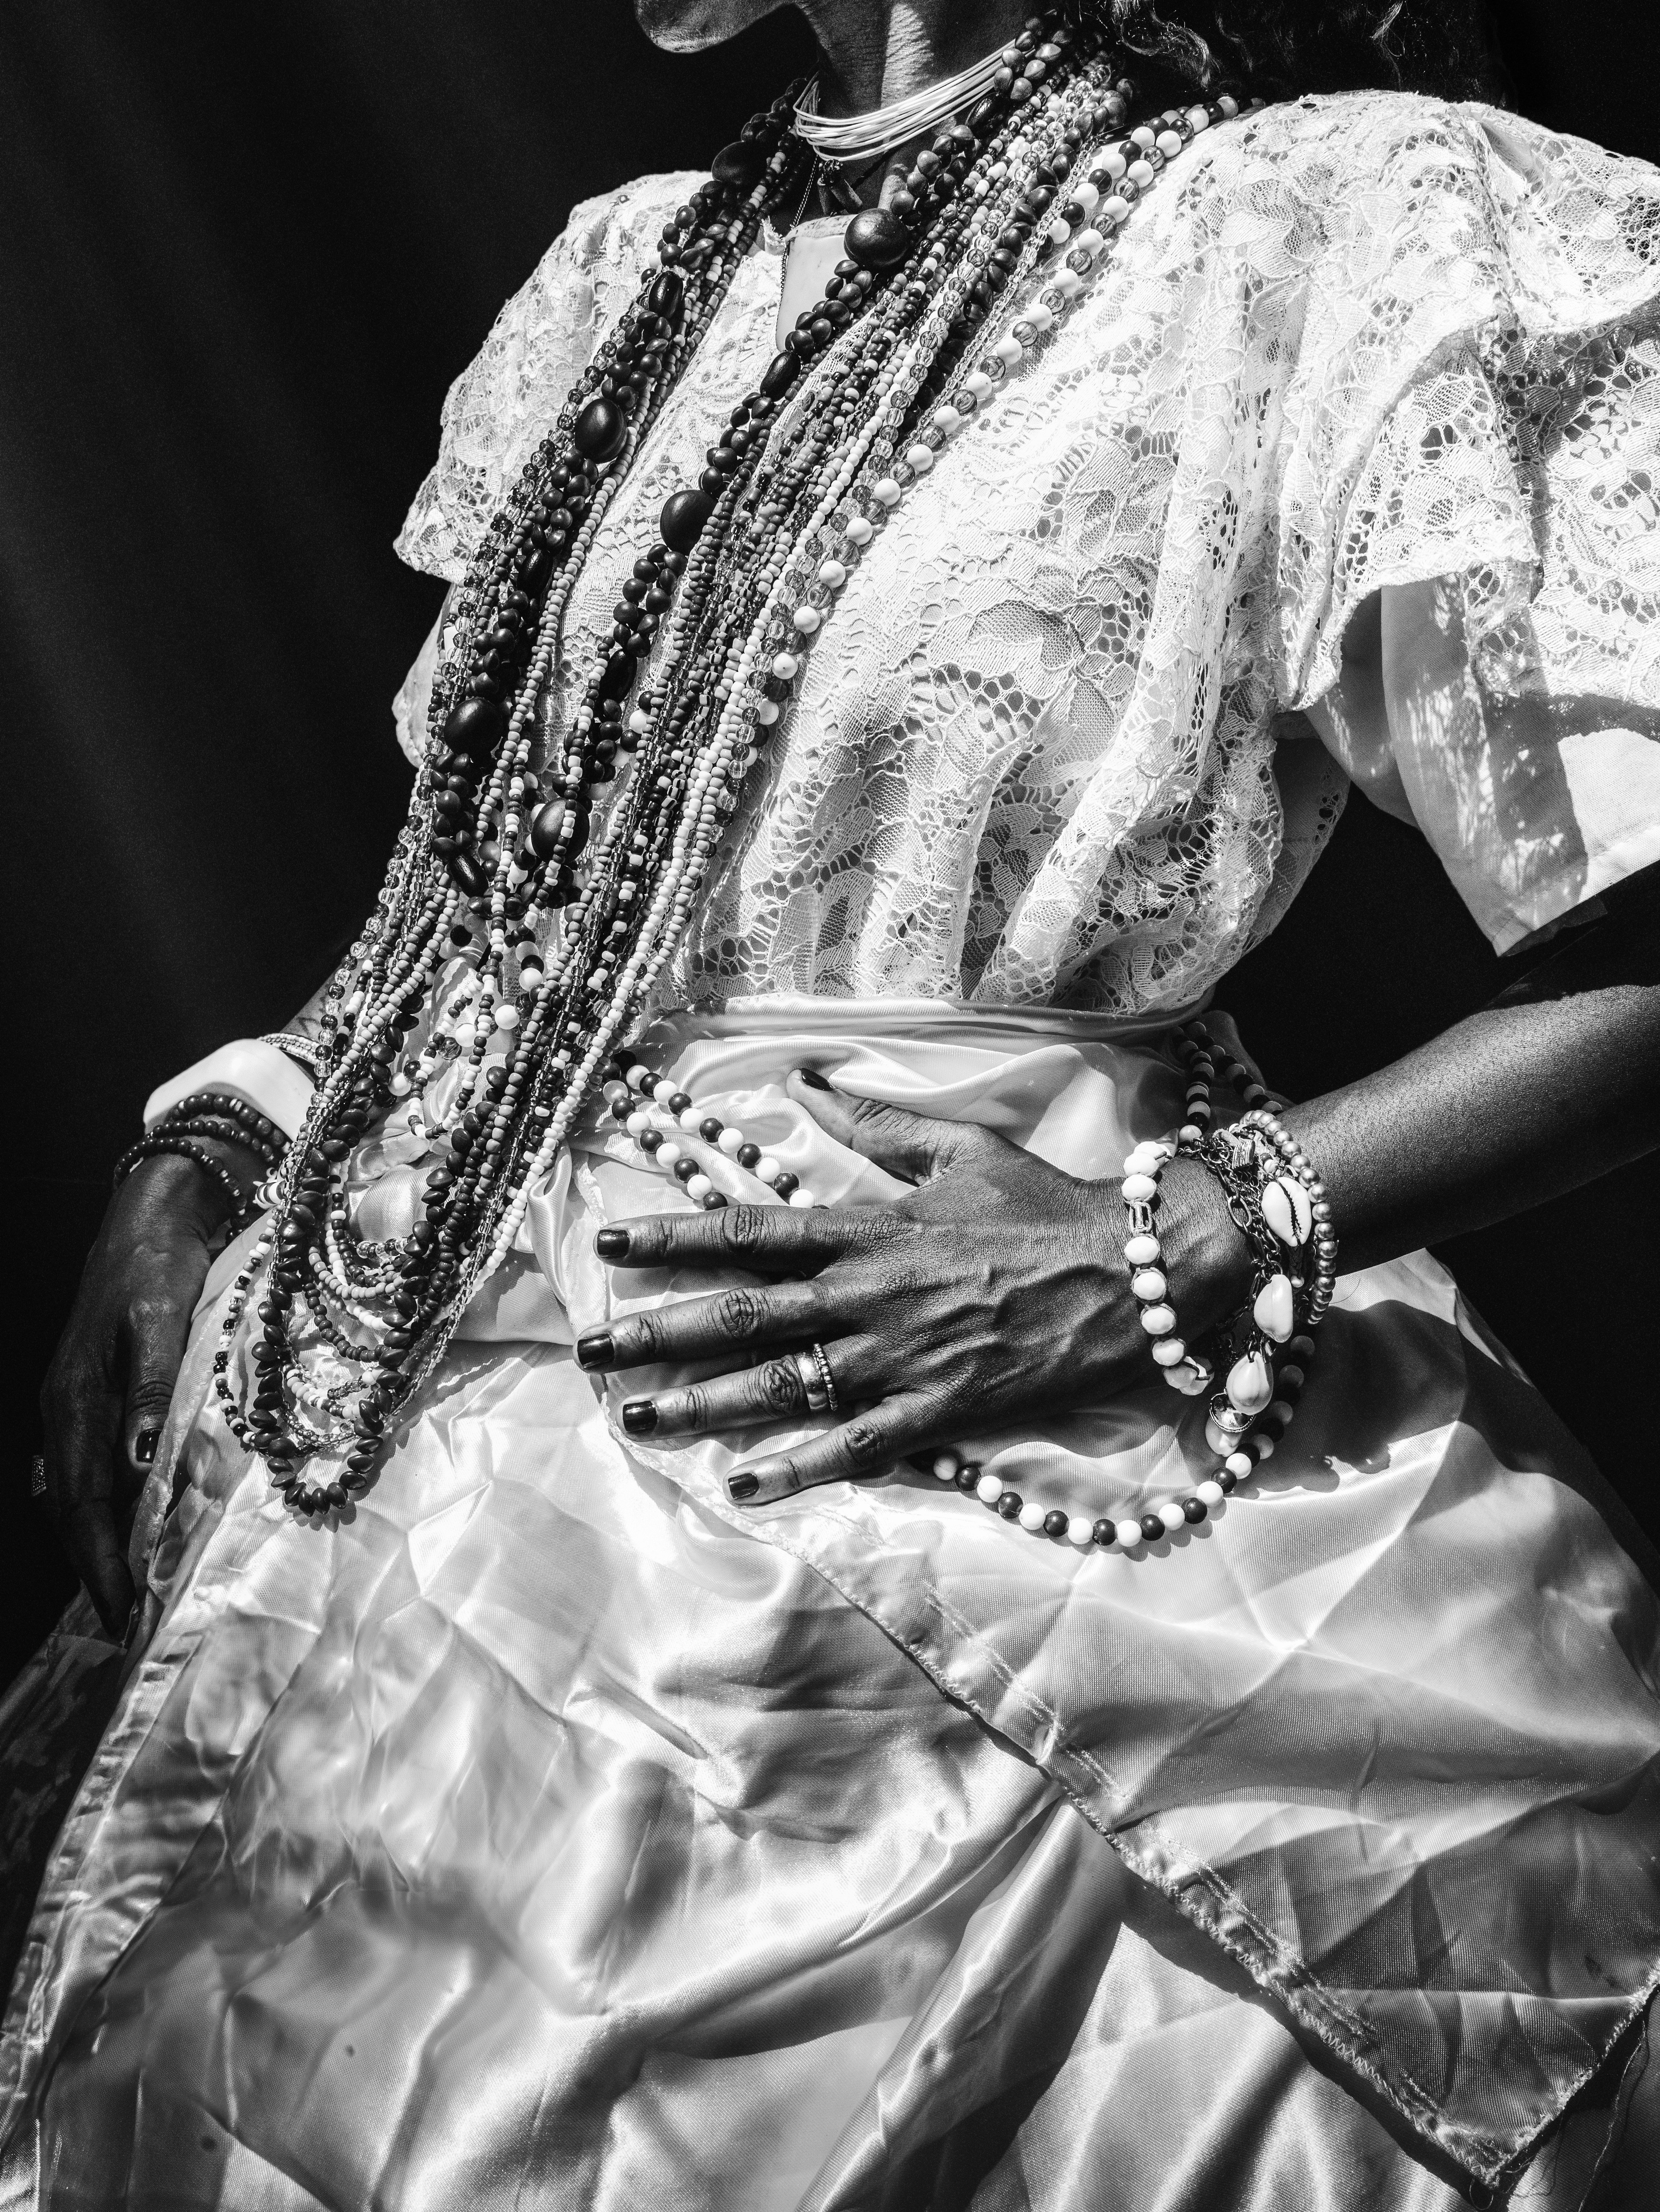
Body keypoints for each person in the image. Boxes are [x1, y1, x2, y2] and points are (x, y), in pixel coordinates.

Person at [9, 0, 1660, 2202]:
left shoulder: (1332, 226)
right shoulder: (630, 278)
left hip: (955, 1508)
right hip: (422, 1520)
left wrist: (1171, 1236)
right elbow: (509, 904)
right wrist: (218, 1130)